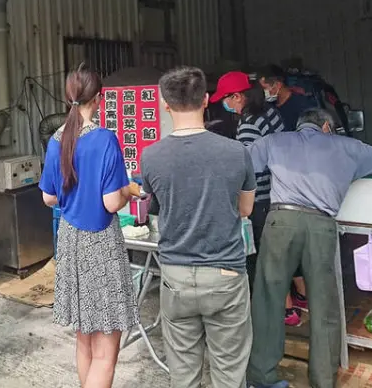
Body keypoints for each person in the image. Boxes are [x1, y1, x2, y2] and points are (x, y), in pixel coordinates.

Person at [247, 109, 372, 388]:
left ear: (299, 127)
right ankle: (322, 380)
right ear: (327, 126)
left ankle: (261, 376)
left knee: (268, 298)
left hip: (281, 221)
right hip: (321, 225)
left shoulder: (274, 141)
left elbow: (243, 165)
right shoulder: (350, 147)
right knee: (324, 303)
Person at [141, 67, 256, 388]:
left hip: (176, 274)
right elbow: (245, 210)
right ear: (206, 100)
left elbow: (156, 207)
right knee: (229, 371)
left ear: (165, 105)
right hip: (226, 273)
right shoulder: (236, 152)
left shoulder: (151, 157)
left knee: (183, 372)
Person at [39, 66, 138, 388]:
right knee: (106, 347)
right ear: (100, 97)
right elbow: (111, 203)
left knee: (84, 339)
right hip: (101, 244)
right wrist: (128, 191)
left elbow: (48, 198)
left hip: (70, 239)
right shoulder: (104, 139)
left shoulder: (57, 140)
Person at [210, 72, 289, 308]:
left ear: (237, 96)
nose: (225, 106)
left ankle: (264, 307)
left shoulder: (249, 123)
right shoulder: (270, 112)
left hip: (260, 198)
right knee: (276, 255)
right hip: (279, 191)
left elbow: (248, 169)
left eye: (226, 100)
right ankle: (284, 304)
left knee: (257, 258)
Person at [258, 65, 316, 132]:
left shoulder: (302, 105)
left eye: (264, 88)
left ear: (278, 85)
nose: (262, 92)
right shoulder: (268, 106)